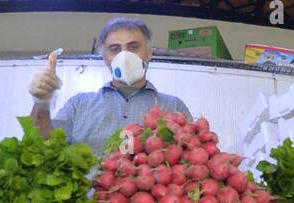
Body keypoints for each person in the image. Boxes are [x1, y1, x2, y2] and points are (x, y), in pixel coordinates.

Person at [29, 17, 192, 153]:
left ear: (149, 54)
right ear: (105, 58)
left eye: (133, 47)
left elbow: (194, 156)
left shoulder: (174, 107)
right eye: (115, 49)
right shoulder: (79, 105)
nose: (124, 55)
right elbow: (44, 142)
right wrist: (42, 102)